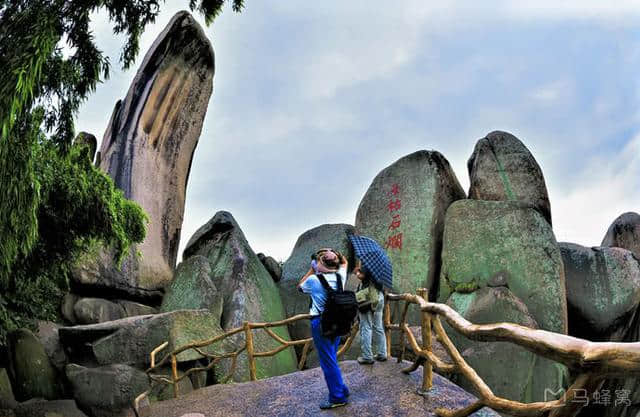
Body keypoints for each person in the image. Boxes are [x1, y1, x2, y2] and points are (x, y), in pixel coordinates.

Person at [297, 248, 350, 409]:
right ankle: (342, 389)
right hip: (338, 322)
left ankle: (337, 397)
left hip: (321, 323)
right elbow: (345, 261)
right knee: (332, 356)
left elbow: (299, 287)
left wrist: (312, 269)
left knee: (327, 361)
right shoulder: (340, 275)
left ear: (321, 263)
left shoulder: (313, 280)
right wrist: (334, 253)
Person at [354, 260, 387, 364]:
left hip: (369, 299)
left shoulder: (367, 265)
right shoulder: (378, 267)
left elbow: (362, 275)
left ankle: (367, 356)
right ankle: (382, 353)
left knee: (366, 327)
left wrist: (358, 272)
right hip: (379, 297)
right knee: (378, 327)